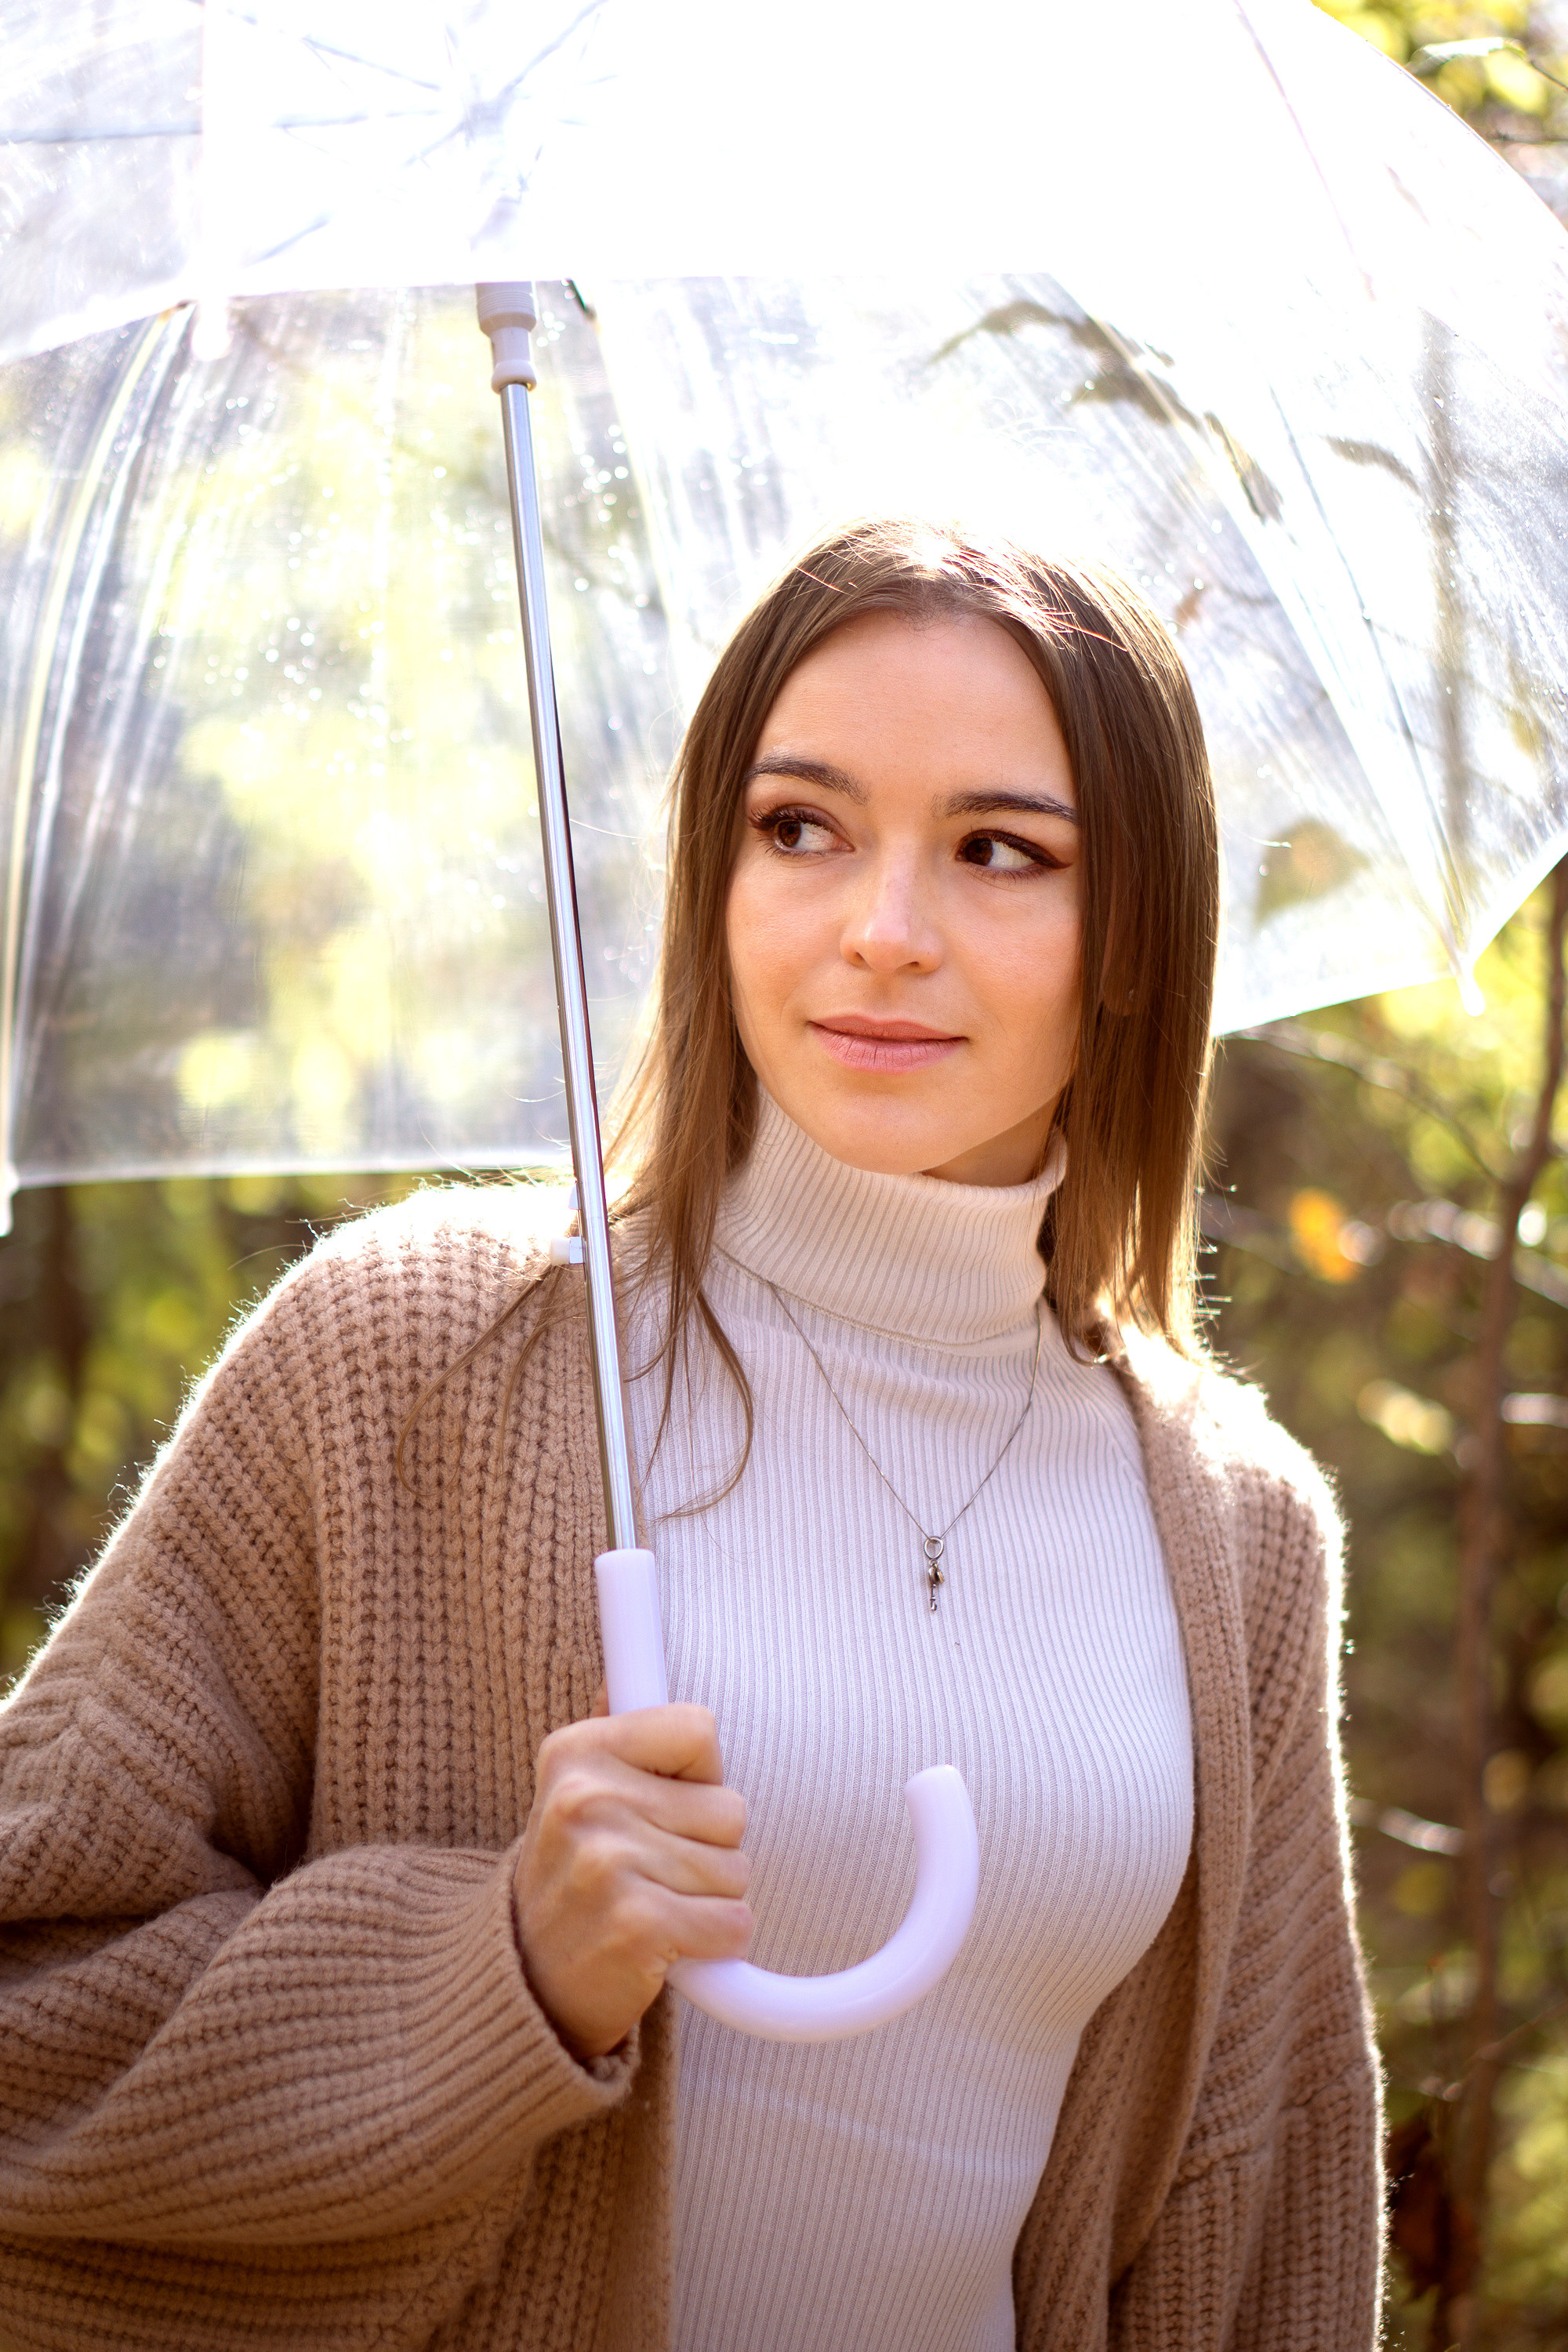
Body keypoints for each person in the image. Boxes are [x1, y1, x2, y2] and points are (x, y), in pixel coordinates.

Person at [0, 517, 1381, 2350]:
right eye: (798, 829)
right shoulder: (419, 1353)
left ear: (1134, 932)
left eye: (998, 852)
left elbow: (1261, 2204)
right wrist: (495, 1975)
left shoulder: (1233, 1531)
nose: (880, 932)